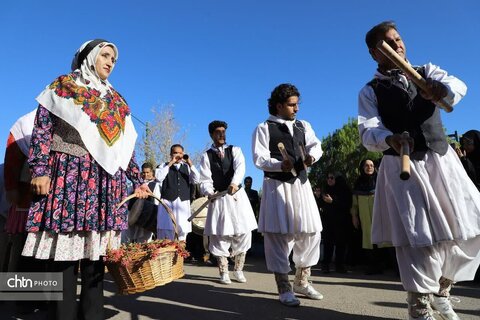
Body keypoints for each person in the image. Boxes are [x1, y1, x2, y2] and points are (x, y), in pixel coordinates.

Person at [358, 21, 480, 320]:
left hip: (441, 160)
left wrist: (441, 89)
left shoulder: (427, 71)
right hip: (404, 167)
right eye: (389, 42)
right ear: (376, 53)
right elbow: (368, 130)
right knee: (419, 237)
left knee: (470, 228)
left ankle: (442, 293)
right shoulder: (371, 90)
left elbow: (458, 86)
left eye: (398, 38)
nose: (398, 44)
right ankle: (419, 308)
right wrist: (389, 138)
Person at [22, 39, 149, 320]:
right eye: (105, 55)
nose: (110, 62)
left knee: (96, 258)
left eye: (113, 59)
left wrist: (138, 180)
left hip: (105, 183)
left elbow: (124, 148)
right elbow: (43, 128)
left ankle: (92, 314)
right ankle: (61, 314)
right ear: (89, 56)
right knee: (63, 258)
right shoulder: (64, 86)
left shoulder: (117, 100)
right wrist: (40, 169)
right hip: (68, 176)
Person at [252, 83, 323, 307]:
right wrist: (278, 164)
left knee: (311, 232)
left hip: (301, 184)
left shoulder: (303, 125)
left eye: (297, 104)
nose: (296, 109)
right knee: (279, 236)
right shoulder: (263, 128)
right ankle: (284, 287)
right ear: (279, 105)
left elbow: (316, 146)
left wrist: (312, 157)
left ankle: (302, 280)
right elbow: (259, 158)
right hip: (277, 186)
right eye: (292, 105)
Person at [199, 120, 257, 284]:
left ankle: (238, 270)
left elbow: (240, 168)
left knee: (243, 232)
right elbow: (204, 179)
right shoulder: (206, 156)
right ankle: (223, 271)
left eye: (223, 131)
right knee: (220, 235)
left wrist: (234, 182)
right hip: (219, 199)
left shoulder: (235, 150)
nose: (222, 134)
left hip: (237, 198)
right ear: (211, 134)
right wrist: (209, 192)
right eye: (218, 132)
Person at [156, 144, 200, 241]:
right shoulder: (163, 166)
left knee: (182, 230)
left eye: (180, 153)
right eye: (175, 153)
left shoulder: (187, 167)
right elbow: (159, 178)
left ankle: (180, 254)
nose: (178, 155)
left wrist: (190, 163)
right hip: (167, 202)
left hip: (183, 203)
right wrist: (171, 163)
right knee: (166, 230)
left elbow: (196, 180)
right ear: (171, 154)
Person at [351, 159, 385, 275]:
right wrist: (354, 216)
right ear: (362, 168)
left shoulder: (380, 180)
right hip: (365, 218)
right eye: (366, 165)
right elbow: (354, 203)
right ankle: (373, 267)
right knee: (369, 241)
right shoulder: (358, 183)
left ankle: (389, 266)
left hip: (381, 216)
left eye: (371, 165)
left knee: (384, 240)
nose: (369, 167)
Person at [319, 172, 352, 274]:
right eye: (328, 177)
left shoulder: (344, 191)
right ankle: (325, 265)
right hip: (328, 221)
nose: (329, 180)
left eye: (332, 178)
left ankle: (339, 265)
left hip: (341, 222)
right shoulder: (326, 189)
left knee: (340, 244)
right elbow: (321, 205)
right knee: (328, 243)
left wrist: (332, 202)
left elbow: (346, 205)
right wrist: (318, 197)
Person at [123, 162, 160, 243]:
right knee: (128, 238)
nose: (145, 175)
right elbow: (127, 199)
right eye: (143, 172)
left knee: (145, 240)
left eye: (147, 172)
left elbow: (156, 201)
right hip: (133, 215)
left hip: (146, 217)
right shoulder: (134, 184)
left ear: (152, 172)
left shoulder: (155, 185)